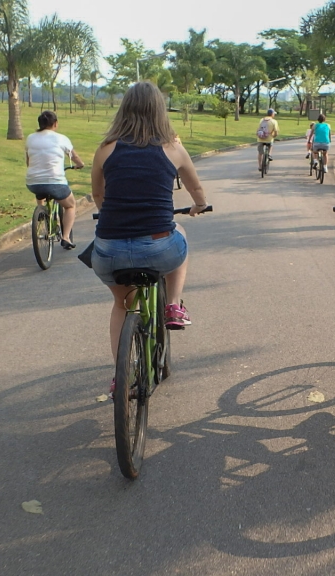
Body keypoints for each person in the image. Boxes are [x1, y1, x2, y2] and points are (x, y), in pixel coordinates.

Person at [89, 82, 208, 392]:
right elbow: (196, 189)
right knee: (180, 234)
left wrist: (112, 214)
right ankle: (173, 305)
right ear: (159, 110)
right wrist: (198, 205)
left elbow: (98, 195)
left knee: (122, 304)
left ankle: (121, 376)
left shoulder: (105, 148)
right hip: (159, 248)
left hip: (109, 251)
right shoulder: (173, 147)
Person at [25, 110, 84, 249]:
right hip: (55, 182)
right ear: (55, 123)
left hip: (32, 182)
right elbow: (74, 156)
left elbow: (28, 161)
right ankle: (66, 237)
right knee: (70, 205)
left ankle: (41, 211)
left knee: (40, 188)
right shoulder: (61, 138)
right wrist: (80, 164)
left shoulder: (30, 138)